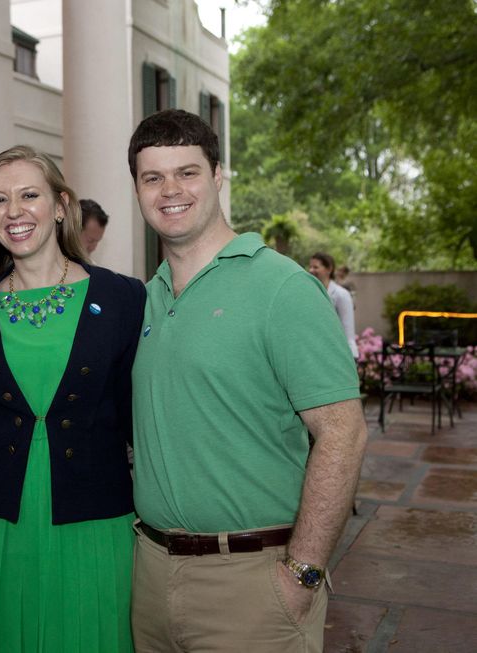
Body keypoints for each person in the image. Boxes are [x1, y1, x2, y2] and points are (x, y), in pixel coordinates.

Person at [127, 109, 367, 652]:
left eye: (187, 172)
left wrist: (303, 573)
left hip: (253, 585)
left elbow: (343, 434)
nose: (170, 190)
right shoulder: (145, 298)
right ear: (137, 190)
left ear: (217, 176)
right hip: (149, 576)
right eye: (152, 177)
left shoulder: (281, 287)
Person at [0, 145, 145, 652]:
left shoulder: (126, 298)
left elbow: (141, 413)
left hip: (97, 522)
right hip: (2, 525)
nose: (13, 211)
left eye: (28, 195)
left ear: (61, 206)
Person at [309, 252, 359, 358]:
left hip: (338, 355)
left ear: (329, 269)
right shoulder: (310, 293)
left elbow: (348, 330)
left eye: (315, 267)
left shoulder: (341, 295)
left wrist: (351, 357)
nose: (311, 270)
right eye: (310, 267)